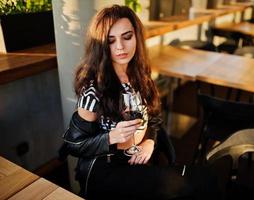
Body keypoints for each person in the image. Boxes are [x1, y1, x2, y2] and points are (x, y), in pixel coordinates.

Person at [61, 4, 220, 200]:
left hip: (139, 158)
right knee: (196, 185)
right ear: (101, 45)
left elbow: (152, 117)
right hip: (109, 170)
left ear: (136, 36)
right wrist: (111, 137)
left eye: (127, 37)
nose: (120, 47)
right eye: (111, 41)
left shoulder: (139, 76)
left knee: (206, 179)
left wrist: (150, 142)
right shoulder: (94, 92)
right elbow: (74, 144)